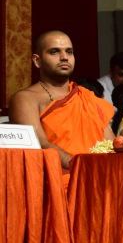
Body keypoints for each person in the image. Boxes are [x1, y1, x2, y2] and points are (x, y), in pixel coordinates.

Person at [9, 30, 115, 171]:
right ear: (37, 61)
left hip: (99, 173)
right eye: (54, 52)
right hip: (60, 178)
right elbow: (41, 145)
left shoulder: (87, 98)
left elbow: (111, 144)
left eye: (69, 52)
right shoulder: (26, 98)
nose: (64, 57)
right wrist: (83, 168)